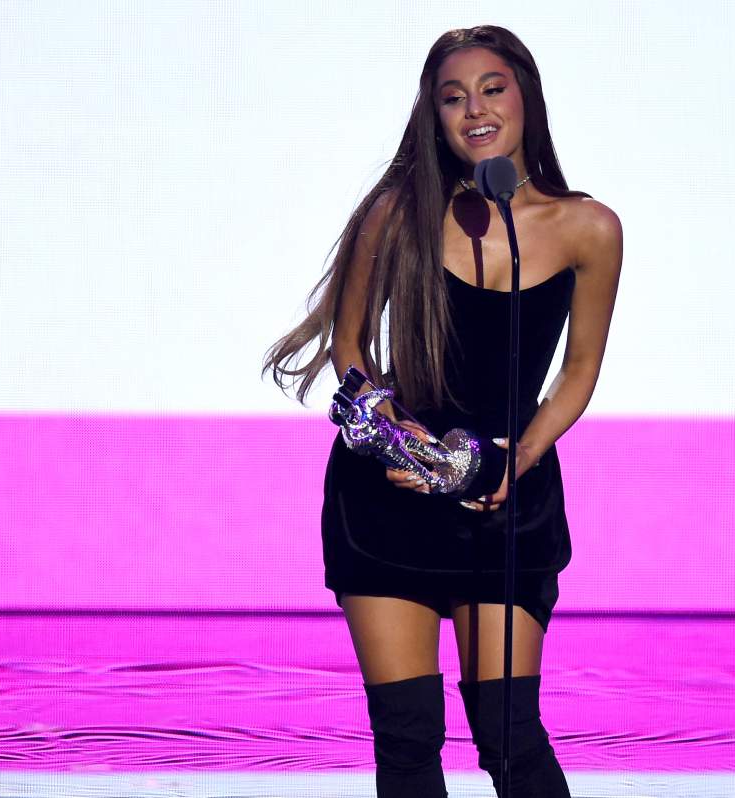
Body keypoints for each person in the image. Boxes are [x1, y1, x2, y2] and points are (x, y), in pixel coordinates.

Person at [263, 25, 621, 798]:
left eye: (492, 89)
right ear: (433, 115)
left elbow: (579, 372)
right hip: (389, 497)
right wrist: (398, 437)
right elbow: (350, 344)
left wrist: (512, 460)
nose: (475, 111)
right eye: (452, 97)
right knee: (407, 739)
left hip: (505, 501)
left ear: (525, 97)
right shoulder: (399, 212)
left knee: (509, 737)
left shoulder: (589, 228)